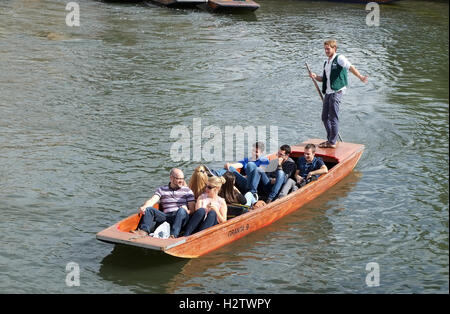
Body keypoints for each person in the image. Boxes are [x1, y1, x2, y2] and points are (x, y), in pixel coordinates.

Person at [309, 39, 368, 148]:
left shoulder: (339, 58)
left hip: (337, 91)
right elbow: (324, 79)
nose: (326, 51)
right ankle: (331, 139)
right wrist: (315, 76)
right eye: (325, 49)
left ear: (334, 48)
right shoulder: (326, 62)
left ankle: (332, 142)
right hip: (328, 92)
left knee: (333, 117)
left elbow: (350, 67)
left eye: (328, 49)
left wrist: (360, 77)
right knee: (324, 117)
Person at [133, 168, 195, 238]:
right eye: (179, 179)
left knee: (181, 211)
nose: (181, 181)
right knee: (149, 209)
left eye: (182, 178)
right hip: (166, 216)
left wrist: (186, 210)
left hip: (181, 217)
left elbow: (192, 210)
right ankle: (143, 232)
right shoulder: (162, 189)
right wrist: (144, 206)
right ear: (171, 178)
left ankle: (173, 235)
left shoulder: (187, 191)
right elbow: (153, 200)